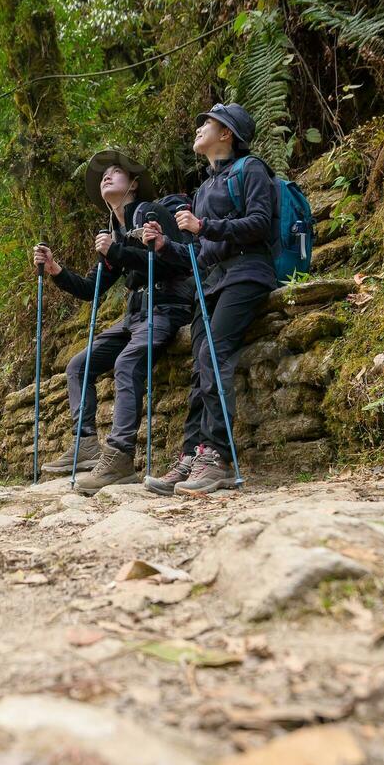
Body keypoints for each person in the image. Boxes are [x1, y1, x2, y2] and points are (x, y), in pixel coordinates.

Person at [32, 150, 194, 495]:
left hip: (166, 306)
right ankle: (85, 444)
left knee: (127, 361)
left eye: (116, 172)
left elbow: (175, 262)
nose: (106, 176)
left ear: (134, 184)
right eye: (104, 174)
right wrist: (56, 270)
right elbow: (93, 289)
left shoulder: (150, 213)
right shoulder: (113, 231)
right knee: (79, 365)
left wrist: (116, 252)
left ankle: (119, 458)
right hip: (135, 314)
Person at [140, 103, 277, 495]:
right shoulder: (202, 190)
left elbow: (260, 223)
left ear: (227, 134)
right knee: (200, 366)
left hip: (247, 272)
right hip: (212, 281)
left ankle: (217, 456)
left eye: (208, 123)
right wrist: (165, 246)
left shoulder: (250, 170)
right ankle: (192, 454)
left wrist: (205, 226)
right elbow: (198, 256)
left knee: (212, 354)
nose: (199, 127)